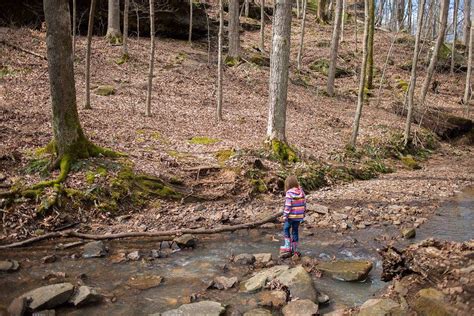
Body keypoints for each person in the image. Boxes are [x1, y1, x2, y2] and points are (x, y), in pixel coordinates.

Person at [279, 175, 306, 257]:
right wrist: (303, 214)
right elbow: (304, 204)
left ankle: (287, 247)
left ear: (288, 184)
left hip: (291, 216)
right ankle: (295, 249)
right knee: (295, 231)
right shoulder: (301, 192)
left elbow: (288, 206)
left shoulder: (289, 193)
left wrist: (285, 216)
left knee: (286, 228)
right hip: (298, 216)